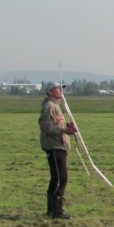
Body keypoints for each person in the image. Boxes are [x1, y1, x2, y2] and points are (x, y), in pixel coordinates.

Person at [38, 82, 77, 219]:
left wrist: (66, 125)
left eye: (61, 88)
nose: (60, 90)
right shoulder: (49, 107)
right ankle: (57, 210)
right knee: (61, 178)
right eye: (57, 88)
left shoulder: (56, 106)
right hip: (54, 147)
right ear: (49, 92)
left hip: (60, 146)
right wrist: (65, 130)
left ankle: (52, 210)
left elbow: (56, 124)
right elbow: (46, 127)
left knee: (58, 178)